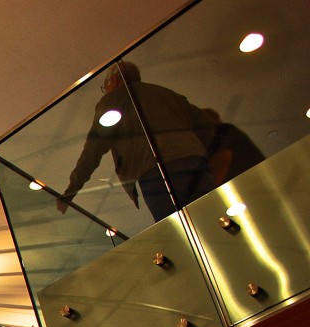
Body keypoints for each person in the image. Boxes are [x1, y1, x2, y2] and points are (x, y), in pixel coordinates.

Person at [57, 62, 216, 221]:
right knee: (209, 216)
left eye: (105, 85)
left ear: (114, 80)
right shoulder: (165, 93)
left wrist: (71, 190)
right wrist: (200, 153)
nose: (105, 90)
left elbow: (93, 149)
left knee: (175, 226)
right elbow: (208, 125)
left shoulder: (114, 100)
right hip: (196, 161)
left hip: (155, 169)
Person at [198, 107, 265, 185]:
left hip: (253, 185)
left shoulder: (223, 132)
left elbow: (223, 158)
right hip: (251, 185)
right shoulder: (211, 146)